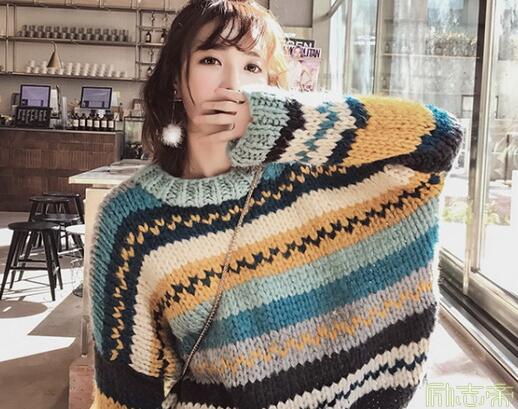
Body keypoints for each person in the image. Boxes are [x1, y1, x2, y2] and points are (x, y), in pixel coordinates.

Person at [88, 0, 464, 408]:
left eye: (252, 66)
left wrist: (283, 122)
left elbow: (438, 140)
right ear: (177, 80)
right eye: (211, 60)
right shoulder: (130, 220)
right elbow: (124, 390)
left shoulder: (310, 176)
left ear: (271, 86)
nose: (233, 83)